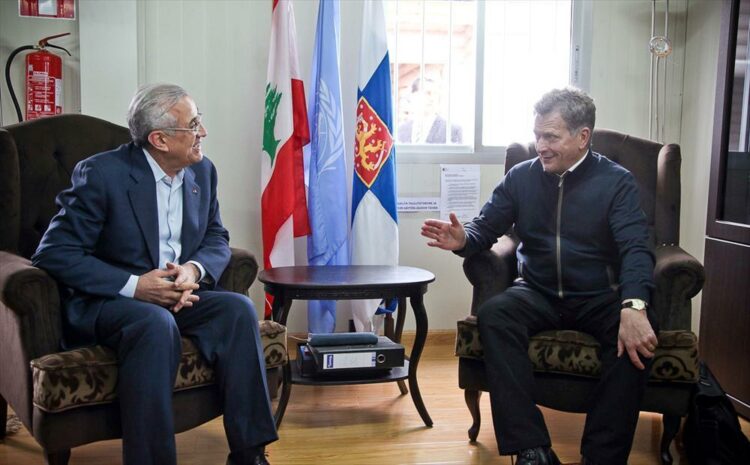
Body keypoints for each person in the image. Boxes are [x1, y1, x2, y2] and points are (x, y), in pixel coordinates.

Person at [32, 83, 277, 465]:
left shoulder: (203, 172)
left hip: (179, 295)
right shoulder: (102, 175)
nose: (203, 133)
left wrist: (193, 270)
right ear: (160, 139)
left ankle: (250, 454)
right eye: (193, 124)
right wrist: (136, 286)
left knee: (238, 310)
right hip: (111, 301)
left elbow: (216, 237)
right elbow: (53, 253)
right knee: (155, 323)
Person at [421, 88, 658, 465]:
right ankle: (532, 449)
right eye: (537, 135)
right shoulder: (521, 177)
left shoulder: (617, 183)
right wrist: (463, 238)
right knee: (496, 315)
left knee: (633, 337)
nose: (540, 146)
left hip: (599, 295)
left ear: (582, 137)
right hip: (538, 291)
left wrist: (633, 306)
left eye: (551, 136)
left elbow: (636, 248)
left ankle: (601, 456)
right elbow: (486, 226)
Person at [397, 76, 463, 144]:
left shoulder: (452, 130)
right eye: (428, 93)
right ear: (413, 96)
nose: (433, 98)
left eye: (436, 94)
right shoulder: (401, 130)